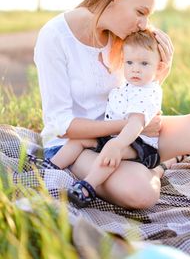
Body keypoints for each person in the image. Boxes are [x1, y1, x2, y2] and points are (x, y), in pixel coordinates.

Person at [34, 0, 190, 210]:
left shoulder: (122, 39)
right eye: (140, 12)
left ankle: (153, 161)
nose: (143, 24)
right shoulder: (55, 37)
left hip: (128, 135)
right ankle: (159, 167)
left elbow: (137, 96)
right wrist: (129, 125)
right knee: (141, 191)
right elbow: (61, 125)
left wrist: (162, 71)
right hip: (75, 145)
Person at [49, 29, 174, 207]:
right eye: (129, 62)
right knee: (80, 139)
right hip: (119, 137)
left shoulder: (147, 93)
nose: (135, 69)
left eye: (144, 63)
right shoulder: (130, 86)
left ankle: (87, 186)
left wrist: (117, 144)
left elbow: (135, 124)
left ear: (159, 67)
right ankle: (50, 167)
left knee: (110, 151)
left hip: (141, 146)